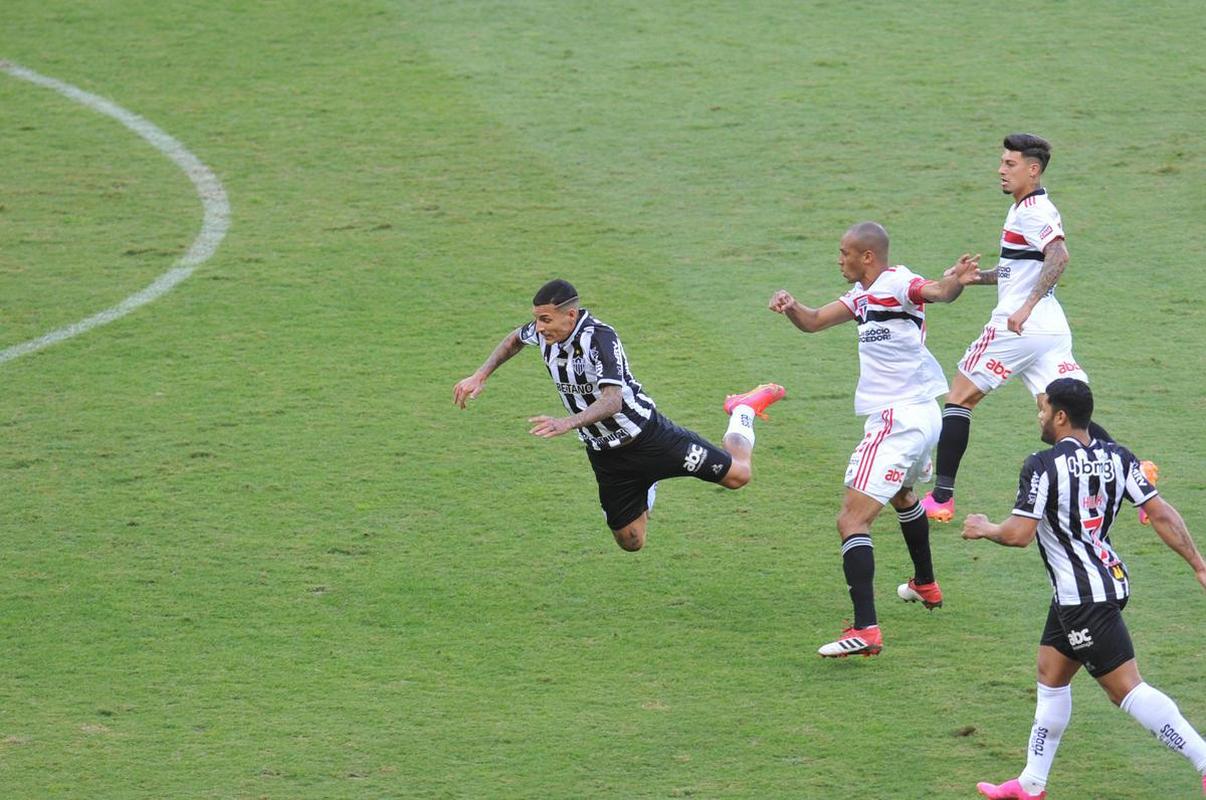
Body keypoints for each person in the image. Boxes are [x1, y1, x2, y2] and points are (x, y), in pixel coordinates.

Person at [962, 378, 1206, 799]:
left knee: (1126, 690)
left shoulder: (1042, 464)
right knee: (1050, 673)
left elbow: (1020, 534)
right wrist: (1200, 567)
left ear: (1060, 416)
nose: (1037, 416)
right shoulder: (1119, 457)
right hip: (1100, 582)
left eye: (1042, 409)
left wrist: (986, 529)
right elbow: (1161, 514)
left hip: (1083, 599)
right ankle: (1031, 783)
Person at [920, 134, 1160, 525]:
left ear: (1033, 169)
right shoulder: (1026, 210)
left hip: (1021, 325)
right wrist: (973, 277)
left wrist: (1025, 307)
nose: (1001, 169)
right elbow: (1018, 270)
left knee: (960, 398)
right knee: (1064, 410)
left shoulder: (1033, 212)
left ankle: (942, 497)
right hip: (1049, 328)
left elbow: (1059, 256)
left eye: (1010, 164)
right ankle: (1137, 473)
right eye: (1001, 162)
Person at [769, 221, 980, 657]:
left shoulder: (899, 283)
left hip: (898, 419)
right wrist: (791, 306)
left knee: (851, 520)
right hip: (923, 415)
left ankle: (866, 630)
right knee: (904, 496)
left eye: (845, 252)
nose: (839, 258)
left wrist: (955, 283)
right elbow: (812, 322)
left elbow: (935, 292)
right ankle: (925, 584)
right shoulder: (862, 296)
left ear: (868, 256)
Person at [453, 278, 785, 552]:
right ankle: (648, 482)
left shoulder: (600, 338)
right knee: (631, 541)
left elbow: (612, 402)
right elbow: (514, 339)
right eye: (537, 319)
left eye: (545, 320)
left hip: (649, 439)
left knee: (738, 475)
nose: (538, 328)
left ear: (571, 315)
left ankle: (743, 408)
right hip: (606, 457)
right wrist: (480, 375)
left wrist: (566, 422)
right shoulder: (545, 335)